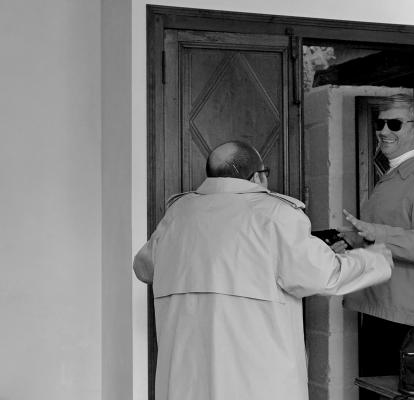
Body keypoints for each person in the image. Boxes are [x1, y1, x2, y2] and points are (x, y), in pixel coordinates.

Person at [133, 140, 394, 400]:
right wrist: (377, 258)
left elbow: (143, 268)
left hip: (186, 381)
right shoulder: (276, 213)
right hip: (254, 381)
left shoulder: (178, 215)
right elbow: (324, 275)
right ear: (258, 176)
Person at [341, 94, 414, 391]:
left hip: (404, 321)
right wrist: (352, 239)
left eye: (394, 124)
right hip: (380, 309)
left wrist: (376, 233)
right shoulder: (395, 176)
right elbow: (391, 234)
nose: (383, 131)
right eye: (380, 123)